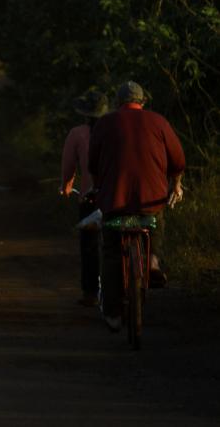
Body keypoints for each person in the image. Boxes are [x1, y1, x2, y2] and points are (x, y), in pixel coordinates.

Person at [88, 81, 185, 332]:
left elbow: (93, 163)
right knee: (156, 220)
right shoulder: (159, 122)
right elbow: (178, 159)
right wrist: (176, 183)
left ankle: (113, 315)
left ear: (119, 103)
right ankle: (151, 260)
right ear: (142, 102)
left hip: (114, 200)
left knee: (110, 252)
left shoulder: (105, 123)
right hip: (149, 200)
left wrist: (99, 185)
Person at [59, 90, 109, 307]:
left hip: (91, 198)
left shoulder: (77, 134)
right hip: (118, 196)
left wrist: (67, 185)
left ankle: (90, 292)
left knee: (89, 245)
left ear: (85, 113)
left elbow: (69, 165)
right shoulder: (117, 130)